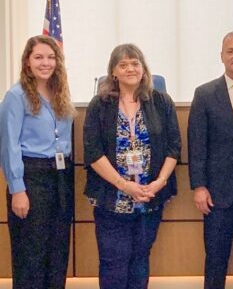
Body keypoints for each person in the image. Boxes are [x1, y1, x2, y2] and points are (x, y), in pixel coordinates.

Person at [83, 43, 180, 289]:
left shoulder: (160, 101)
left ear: (144, 69)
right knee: (113, 264)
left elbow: (174, 147)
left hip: (149, 199)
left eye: (135, 63)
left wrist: (159, 183)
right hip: (111, 200)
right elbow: (93, 153)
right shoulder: (100, 105)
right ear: (113, 72)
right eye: (123, 65)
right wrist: (125, 185)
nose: (130, 69)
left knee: (140, 262)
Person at [0, 35, 75, 289]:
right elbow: (9, 146)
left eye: (51, 57)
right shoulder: (16, 95)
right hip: (31, 177)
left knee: (57, 251)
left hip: (61, 177)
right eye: (39, 57)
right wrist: (17, 188)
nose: (46, 63)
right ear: (27, 62)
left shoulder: (60, 92)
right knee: (31, 254)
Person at [188, 31, 233, 288]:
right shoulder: (205, 94)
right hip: (218, 192)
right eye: (231, 51)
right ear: (221, 56)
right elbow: (197, 145)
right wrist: (199, 186)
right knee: (216, 259)